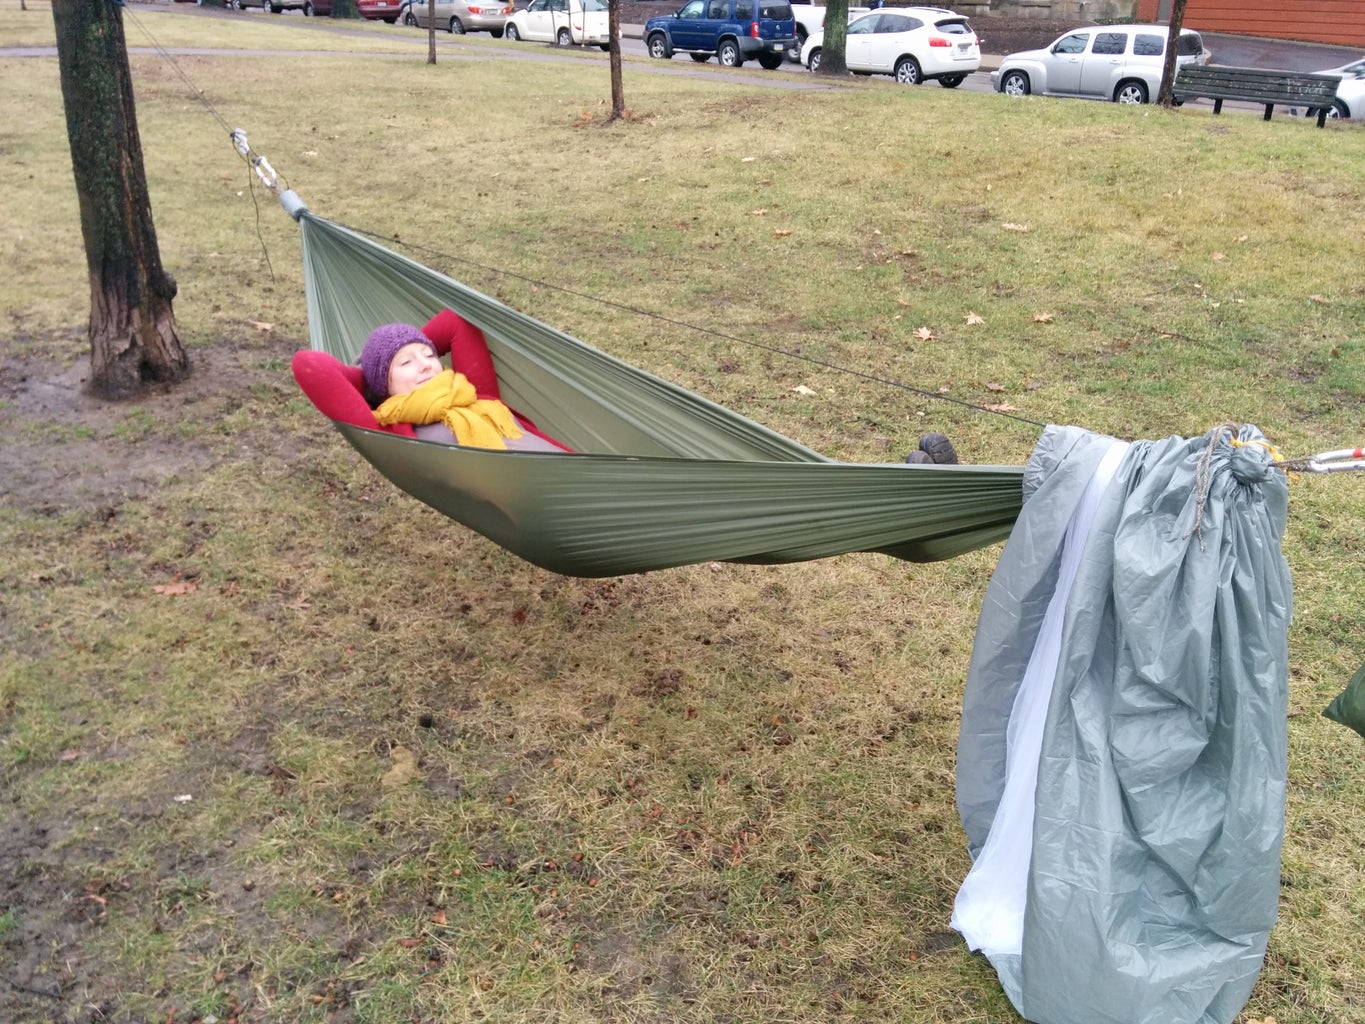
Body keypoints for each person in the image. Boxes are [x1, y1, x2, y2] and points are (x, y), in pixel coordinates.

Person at [356, 310, 570, 453]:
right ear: (383, 385)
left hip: (584, 480)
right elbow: (321, 369)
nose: (426, 365)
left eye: (430, 355)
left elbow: (454, 320)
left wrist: (400, 347)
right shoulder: (388, 429)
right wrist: (370, 372)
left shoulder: (473, 395)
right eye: (406, 363)